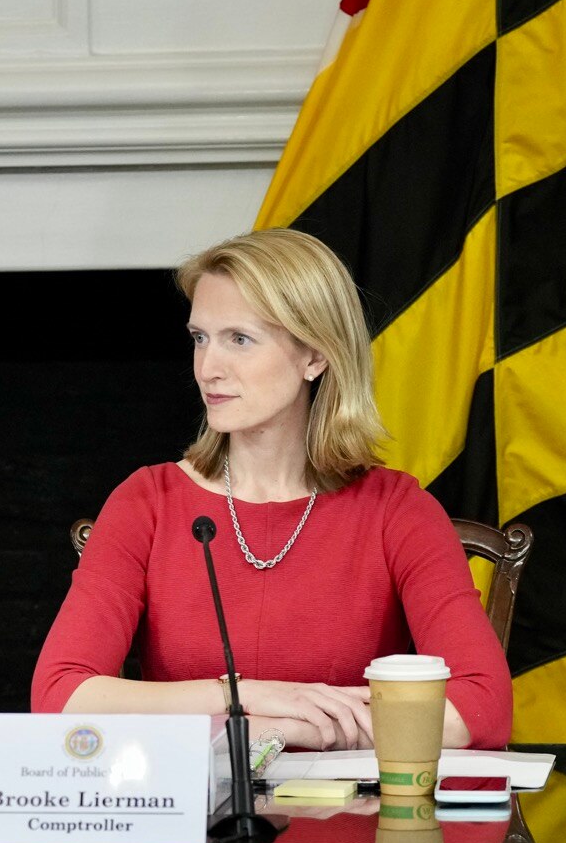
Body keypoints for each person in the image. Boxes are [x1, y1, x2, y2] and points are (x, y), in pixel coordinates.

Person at [31, 228, 511, 752]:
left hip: (355, 824)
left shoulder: (397, 510)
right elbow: (60, 696)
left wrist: (295, 729)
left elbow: (482, 705)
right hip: (192, 821)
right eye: (200, 337)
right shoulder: (147, 502)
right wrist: (241, 700)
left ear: (315, 357)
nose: (208, 368)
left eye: (239, 339)